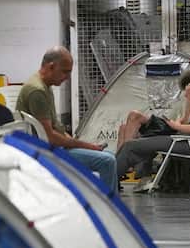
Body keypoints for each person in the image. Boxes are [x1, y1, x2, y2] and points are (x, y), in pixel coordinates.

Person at [16, 47, 117, 191]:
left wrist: (81, 144)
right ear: (51, 67)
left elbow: (55, 129)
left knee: (109, 155)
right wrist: (88, 146)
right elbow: (50, 137)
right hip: (47, 151)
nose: (68, 77)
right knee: (108, 161)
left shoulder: (44, 86)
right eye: (65, 71)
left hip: (51, 147)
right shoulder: (37, 91)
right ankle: (109, 207)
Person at [115, 72, 190, 184]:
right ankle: (119, 175)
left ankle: (109, 180)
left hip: (188, 144)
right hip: (188, 142)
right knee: (132, 145)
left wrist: (173, 125)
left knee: (130, 146)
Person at [116, 67, 190, 149]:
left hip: (172, 132)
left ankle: (126, 159)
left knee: (134, 115)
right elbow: (183, 120)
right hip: (171, 126)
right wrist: (176, 122)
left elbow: (188, 125)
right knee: (123, 128)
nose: (185, 92)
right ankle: (119, 163)